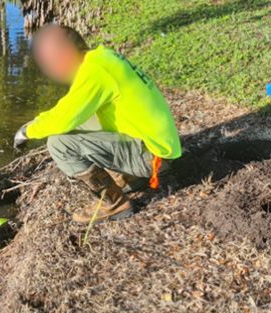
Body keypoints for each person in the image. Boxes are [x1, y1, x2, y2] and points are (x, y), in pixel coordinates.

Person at [14, 24, 181, 223]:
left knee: (59, 144)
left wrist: (27, 131)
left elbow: (63, 118)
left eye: (51, 61)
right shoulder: (102, 58)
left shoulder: (94, 73)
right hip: (159, 148)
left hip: (154, 158)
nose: (50, 69)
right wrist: (39, 122)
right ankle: (130, 177)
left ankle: (114, 203)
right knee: (82, 121)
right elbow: (70, 110)